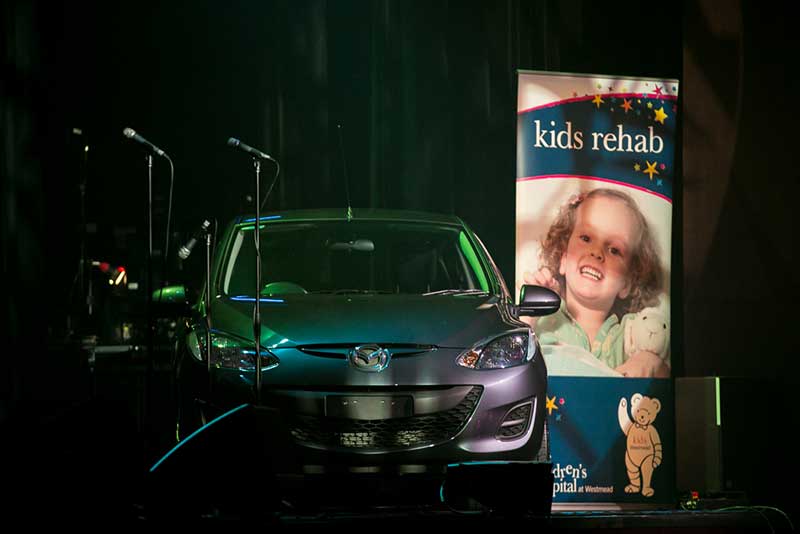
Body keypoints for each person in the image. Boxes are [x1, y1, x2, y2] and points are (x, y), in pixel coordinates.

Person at [523, 187, 669, 377]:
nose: (596, 252)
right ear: (563, 258)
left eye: (614, 250)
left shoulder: (631, 335)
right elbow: (514, 361)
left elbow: (663, 376)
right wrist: (530, 312)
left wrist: (650, 359)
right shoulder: (542, 324)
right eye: (586, 238)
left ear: (627, 283)